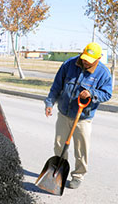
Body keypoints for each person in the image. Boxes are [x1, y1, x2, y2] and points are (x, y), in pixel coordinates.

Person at [44, 42, 112, 189]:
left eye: (89, 60)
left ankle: (78, 175)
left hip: (83, 117)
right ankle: (60, 172)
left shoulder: (103, 73)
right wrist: (49, 103)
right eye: (84, 57)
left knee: (81, 149)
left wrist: (92, 93)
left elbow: (107, 94)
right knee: (59, 145)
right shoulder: (69, 64)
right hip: (64, 113)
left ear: (98, 58)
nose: (85, 61)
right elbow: (57, 85)